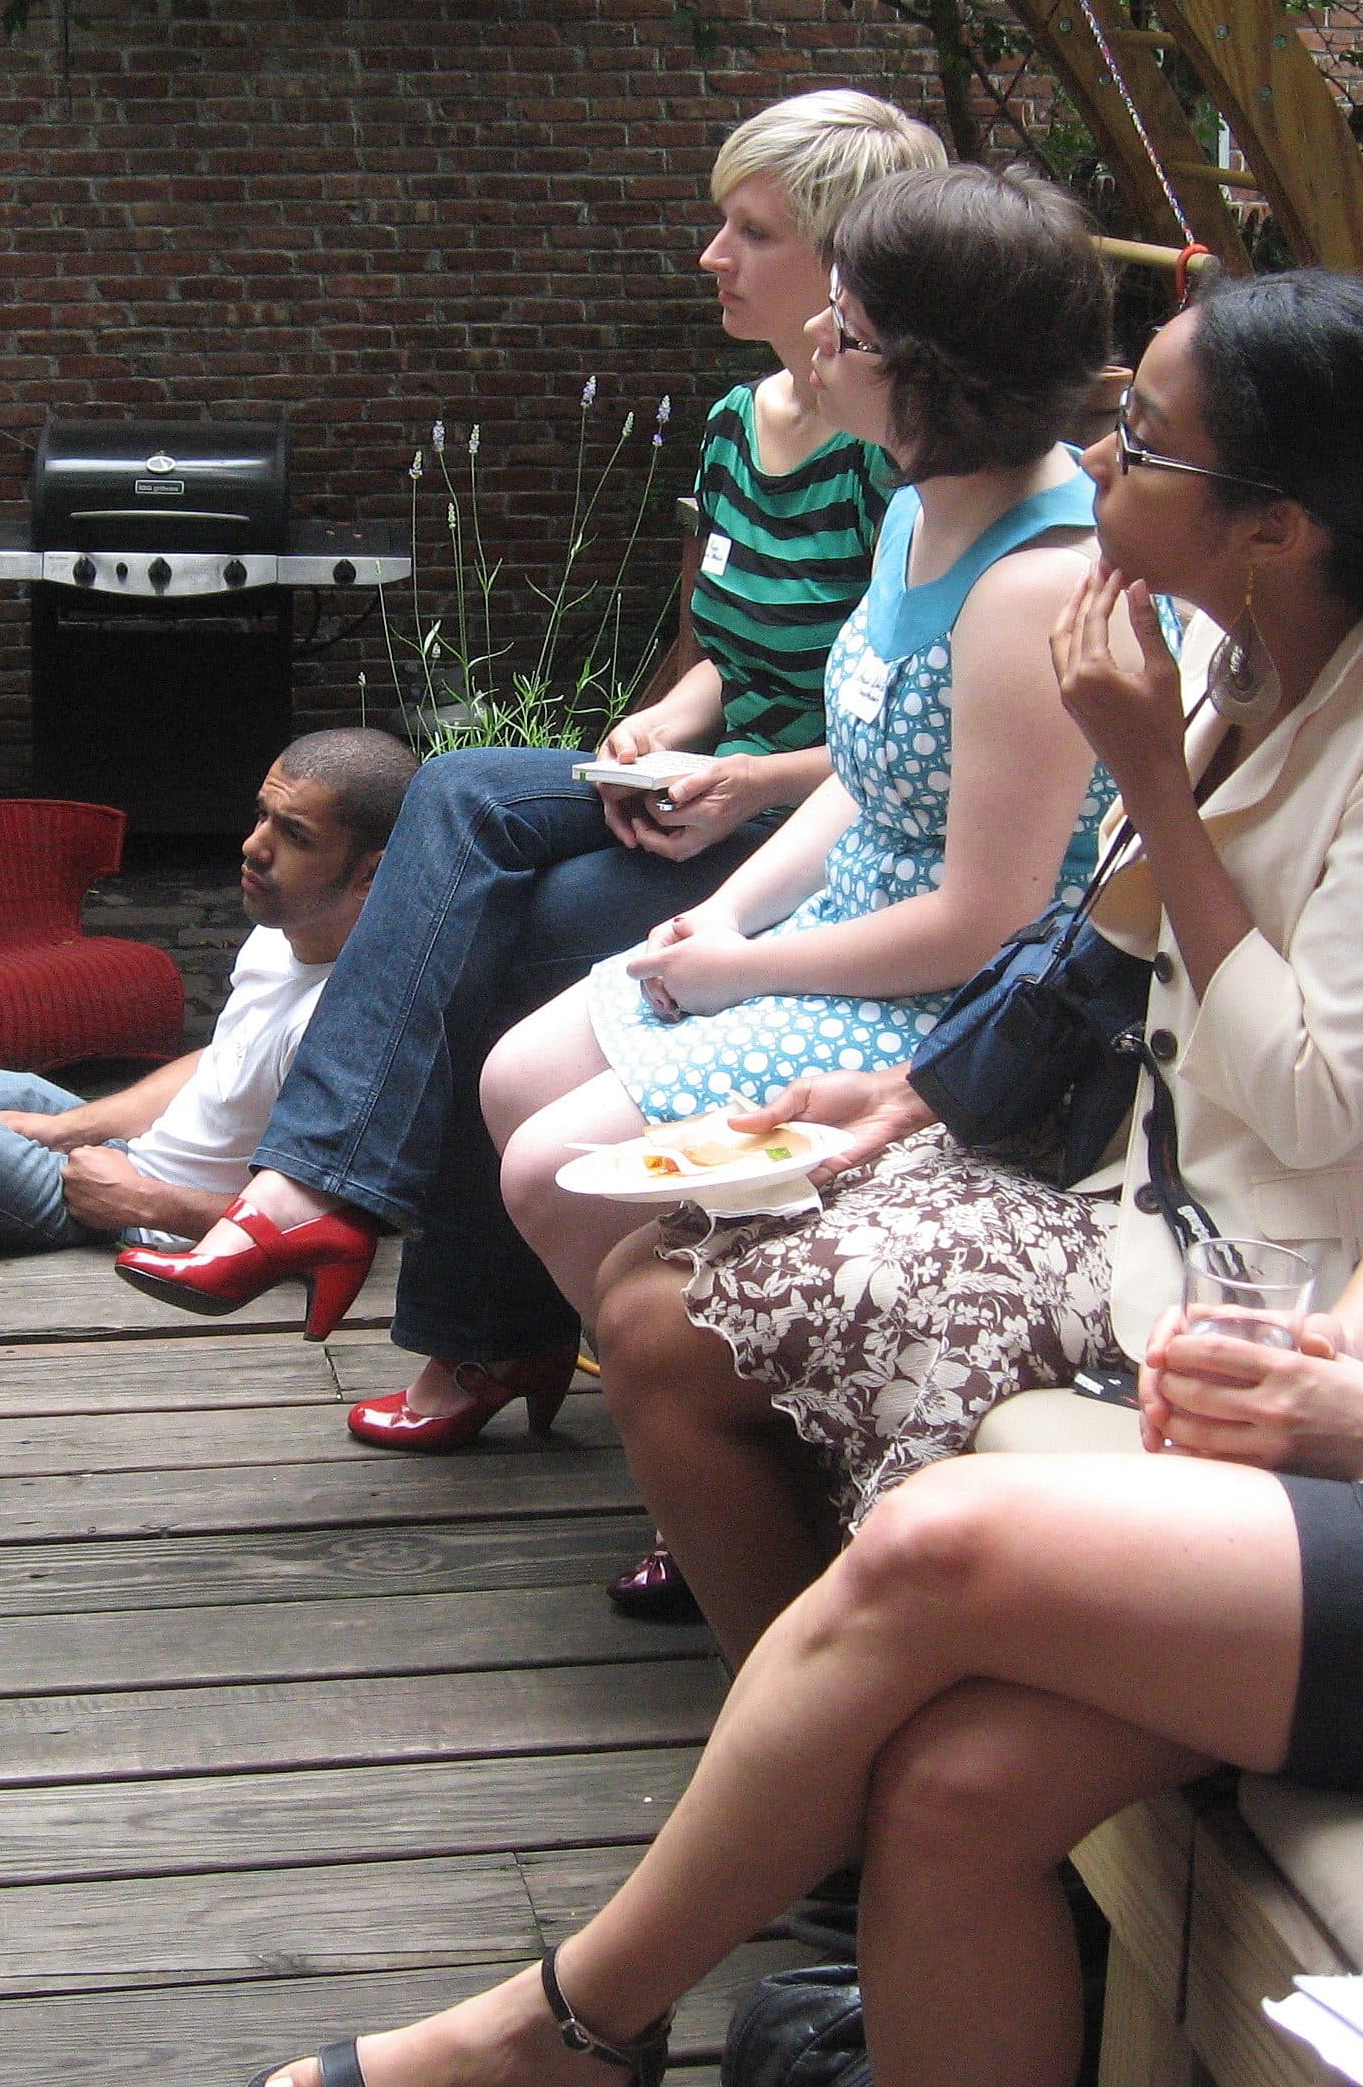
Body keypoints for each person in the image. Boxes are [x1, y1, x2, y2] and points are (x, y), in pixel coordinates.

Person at [240, 280, 1363, 2087]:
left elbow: (1317, 1099)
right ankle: (727, 1910)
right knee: (955, 1782)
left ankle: (568, 2019)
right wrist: (1340, 1352)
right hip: (1350, 1376)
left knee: (937, 1538)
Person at [583, 267, 1363, 1665]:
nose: (1100, 457)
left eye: (1147, 440)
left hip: (1246, 1253)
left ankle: (821, 1750)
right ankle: (817, 1728)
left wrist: (1152, 778)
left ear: (1273, 526)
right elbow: (1093, 954)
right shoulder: (1241, 650)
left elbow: (1317, 1101)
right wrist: (909, 1095)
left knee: (667, 1331)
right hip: (1115, 1167)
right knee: (641, 1272)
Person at [117, 90, 946, 1444]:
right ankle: (324, 1204)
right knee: (458, 791)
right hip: (694, 794)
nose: (711, 257)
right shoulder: (743, 424)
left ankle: (457, 1324)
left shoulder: (893, 467)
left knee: (526, 925)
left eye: (751, 229)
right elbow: (733, 647)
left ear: (846, 262)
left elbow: (881, 728)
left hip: (798, 834)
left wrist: (740, 781)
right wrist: (670, 723)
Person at [483, 165, 1132, 1353]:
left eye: (853, 327)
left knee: (550, 1163)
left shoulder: (1030, 585)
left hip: (947, 1004)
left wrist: (748, 973)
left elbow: (990, 921)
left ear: (937, 372)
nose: (819, 342)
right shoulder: (915, 503)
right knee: (517, 1074)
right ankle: (680, 1409)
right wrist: (716, 923)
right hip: (844, 928)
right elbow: (868, 773)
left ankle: (720, 1432)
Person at [0, 728, 416, 1302]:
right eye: (262, 816)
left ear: (370, 874)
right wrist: (70, 1126)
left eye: (294, 836)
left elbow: (336, 1224)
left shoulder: (355, 1027)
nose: (254, 847)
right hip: (124, 1151)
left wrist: (140, 1198)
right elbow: (221, 1062)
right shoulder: (286, 928)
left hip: (133, 1213)